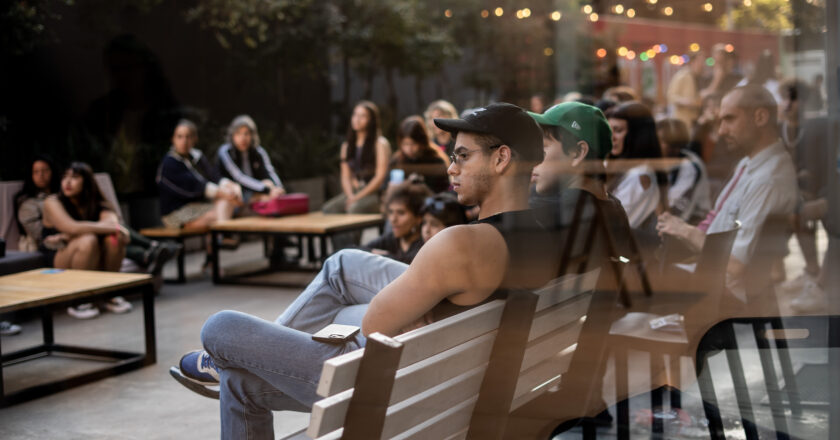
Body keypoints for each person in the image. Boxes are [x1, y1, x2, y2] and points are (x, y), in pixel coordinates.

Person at [171, 103, 562, 439]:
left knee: (219, 329)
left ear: (501, 158)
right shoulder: (543, 238)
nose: (450, 168)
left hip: (396, 390)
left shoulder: (460, 243)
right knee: (342, 267)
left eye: (462, 156)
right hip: (453, 385)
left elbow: (375, 324)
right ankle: (232, 367)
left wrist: (409, 311)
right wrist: (419, 307)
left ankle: (224, 361)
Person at [657, 85, 798, 301]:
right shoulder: (750, 163)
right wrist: (680, 230)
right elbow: (718, 224)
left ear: (760, 117)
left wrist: (687, 232)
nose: (721, 130)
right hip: (710, 276)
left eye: (729, 119)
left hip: (719, 293)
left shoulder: (767, 180)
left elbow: (736, 264)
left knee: (628, 271)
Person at [42, 162, 134, 319]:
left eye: (75, 177)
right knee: (88, 239)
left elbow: (111, 224)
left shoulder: (99, 204)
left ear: (87, 182)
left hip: (94, 257)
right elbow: (71, 227)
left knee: (114, 238)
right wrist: (117, 228)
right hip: (58, 260)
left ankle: (109, 294)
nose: (68, 182)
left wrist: (115, 229)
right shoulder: (52, 201)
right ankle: (79, 300)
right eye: (65, 177)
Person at [776, 78, 832, 311]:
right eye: (785, 98)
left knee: (797, 212)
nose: (788, 104)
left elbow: (820, 169)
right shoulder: (780, 128)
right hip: (789, 188)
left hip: (813, 190)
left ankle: (814, 274)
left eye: (794, 99)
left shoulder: (815, 129)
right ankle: (809, 271)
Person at [157, 119, 242, 229]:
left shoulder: (197, 157)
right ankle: (221, 237)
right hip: (176, 213)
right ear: (173, 139)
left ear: (194, 139)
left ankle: (218, 239)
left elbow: (213, 177)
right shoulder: (169, 163)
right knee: (222, 211)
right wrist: (225, 193)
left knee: (227, 204)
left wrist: (230, 186)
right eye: (180, 137)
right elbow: (196, 186)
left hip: (197, 207)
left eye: (188, 136)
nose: (184, 141)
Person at [605, 102, 665, 239]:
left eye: (618, 130)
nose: (612, 137)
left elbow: (615, 224)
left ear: (637, 135)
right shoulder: (616, 166)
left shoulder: (638, 174)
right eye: (609, 130)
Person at [322, 101, 391, 215]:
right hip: (354, 191)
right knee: (329, 209)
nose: (357, 119)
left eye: (362, 116)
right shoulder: (346, 146)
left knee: (354, 209)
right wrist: (350, 196)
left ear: (371, 120)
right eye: (355, 115)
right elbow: (345, 176)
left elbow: (380, 177)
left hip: (374, 193)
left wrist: (357, 197)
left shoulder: (379, 144)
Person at [217, 115, 285, 205]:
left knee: (268, 185)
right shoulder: (225, 151)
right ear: (232, 135)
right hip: (235, 192)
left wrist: (278, 187)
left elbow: (270, 171)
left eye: (246, 133)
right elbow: (239, 177)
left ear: (252, 135)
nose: (243, 138)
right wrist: (265, 188)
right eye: (238, 133)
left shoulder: (259, 151)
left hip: (256, 190)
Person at [361, 182, 432, 264]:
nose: (393, 219)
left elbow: (408, 262)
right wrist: (373, 252)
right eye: (391, 212)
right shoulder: (392, 239)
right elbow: (353, 250)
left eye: (401, 213)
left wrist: (384, 256)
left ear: (418, 218)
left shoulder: (425, 243)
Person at [656, 118, 711, 223]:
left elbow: (674, 211)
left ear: (675, 146)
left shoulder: (690, 166)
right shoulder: (660, 161)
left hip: (692, 223)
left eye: (662, 141)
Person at [388, 116, 450, 193]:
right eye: (405, 144)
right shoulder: (397, 160)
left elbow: (443, 191)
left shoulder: (436, 160)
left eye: (413, 144)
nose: (409, 149)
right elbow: (385, 188)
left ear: (422, 142)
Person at [667, 52, 706, 129]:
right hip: (683, 120)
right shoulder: (683, 75)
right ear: (693, 62)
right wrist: (686, 101)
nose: (702, 65)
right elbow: (671, 96)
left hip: (694, 119)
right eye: (700, 62)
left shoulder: (700, 78)